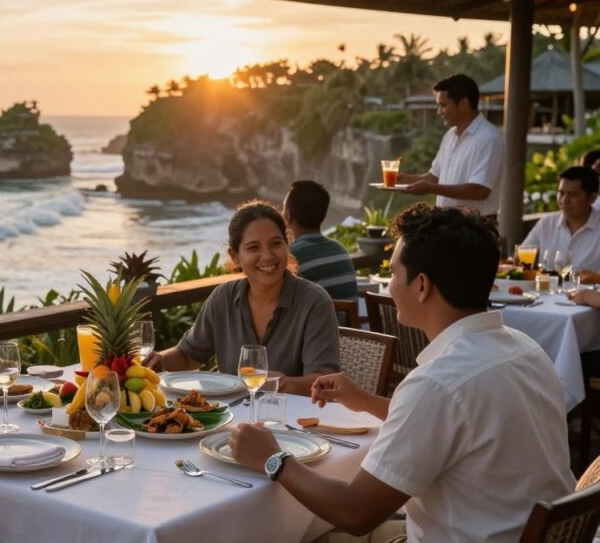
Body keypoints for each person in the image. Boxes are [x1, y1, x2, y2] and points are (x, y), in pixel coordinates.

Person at [229, 204, 574, 542]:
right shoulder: (527, 350)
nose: (389, 285)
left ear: (421, 285)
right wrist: (365, 401)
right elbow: (456, 425)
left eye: (392, 273)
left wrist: (272, 458)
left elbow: (355, 513)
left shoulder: (438, 382)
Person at [143, 200, 340, 395]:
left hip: (293, 421)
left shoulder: (314, 302)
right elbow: (188, 356)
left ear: (287, 244)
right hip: (230, 418)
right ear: (235, 255)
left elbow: (324, 380)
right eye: (253, 248)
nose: (267, 255)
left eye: (276, 244)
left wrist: (286, 384)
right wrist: (158, 360)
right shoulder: (223, 297)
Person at [399, 74, 505, 218]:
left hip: (477, 229)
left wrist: (432, 189)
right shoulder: (450, 135)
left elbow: (479, 190)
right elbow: (433, 178)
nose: (439, 111)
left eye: (443, 105)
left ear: (464, 103)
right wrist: (399, 179)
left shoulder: (489, 138)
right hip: (449, 227)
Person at [282, 180, 359, 300]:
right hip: (346, 319)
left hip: (317, 319)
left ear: (287, 216)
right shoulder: (339, 250)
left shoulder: (291, 256)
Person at [521, 166, 600, 273]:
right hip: (546, 289)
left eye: (572, 195)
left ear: (592, 198)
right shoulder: (546, 224)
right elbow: (522, 260)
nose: (564, 200)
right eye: (561, 193)